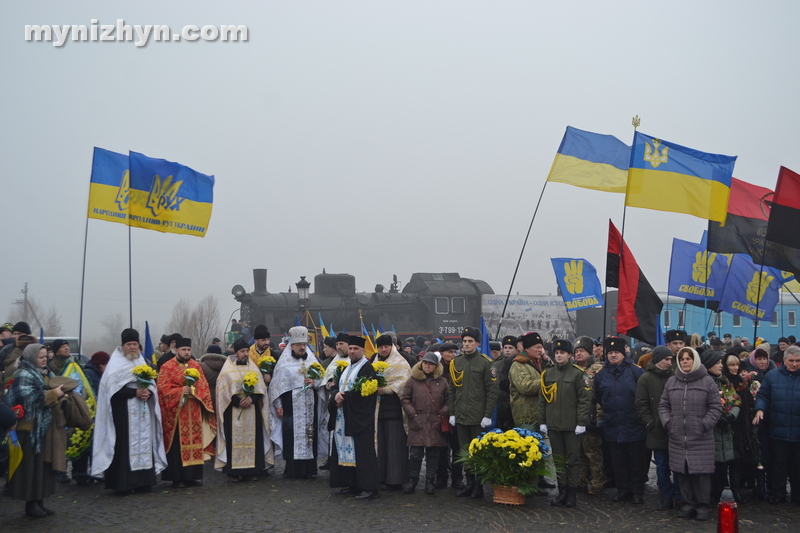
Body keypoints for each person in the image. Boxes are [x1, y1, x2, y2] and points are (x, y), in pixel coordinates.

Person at [92, 329, 168, 494]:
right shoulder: (115, 364)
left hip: (143, 413)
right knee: (123, 446)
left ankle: (143, 481)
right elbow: (111, 392)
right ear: (123, 346)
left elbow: (151, 384)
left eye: (134, 344)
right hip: (122, 414)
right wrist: (135, 393)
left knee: (144, 443)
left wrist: (148, 392)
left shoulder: (142, 362)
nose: (132, 347)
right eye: (129, 344)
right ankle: (123, 484)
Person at [659, 346, 722, 521]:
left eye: (688, 358)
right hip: (677, 436)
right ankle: (687, 505)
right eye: (682, 359)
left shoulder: (707, 381)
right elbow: (663, 405)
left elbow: (715, 407)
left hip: (700, 437)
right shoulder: (672, 382)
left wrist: (704, 424)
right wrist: (668, 422)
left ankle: (703, 506)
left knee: (701, 474)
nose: (685, 361)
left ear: (695, 360)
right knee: (682, 473)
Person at [4, 343, 66, 518]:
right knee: (31, 468)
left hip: (44, 427)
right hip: (29, 430)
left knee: (43, 468)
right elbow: (29, 399)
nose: (44, 359)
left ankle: (40, 500)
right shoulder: (23, 374)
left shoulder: (47, 373)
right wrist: (54, 394)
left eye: (45, 356)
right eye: (40, 357)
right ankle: (30, 505)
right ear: (31, 357)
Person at [594, 336, 648, 504]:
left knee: (636, 461)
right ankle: (622, 489)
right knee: (618, 462)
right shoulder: (601, 375)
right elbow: (599, 397)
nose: (613, 356)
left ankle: (637, 491)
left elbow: (643, 396)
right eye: (610, 353)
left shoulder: (636, 371)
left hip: (634, 424)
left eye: (616, 352)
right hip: (613, 424)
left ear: (623, 353)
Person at [539, 339, 592, 508]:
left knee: (573, 460)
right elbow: (542, 400)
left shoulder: (578, 374)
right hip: (554, 424)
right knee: (558, 460)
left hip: (571, 425)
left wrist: (581, 422)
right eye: (556, 353)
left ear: (570, 355)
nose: (559, 355)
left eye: (562, 353)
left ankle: (571, 493)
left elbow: (584, 400)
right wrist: (543, 421)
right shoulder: (548, 374)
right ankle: (561, 492)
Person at [157, 337, 216, 488]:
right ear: (176, 350)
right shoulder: (167, 367)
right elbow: (162, 390)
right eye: (183, 350)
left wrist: (194, 391)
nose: (186, 352)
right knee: (177, 445)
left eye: (188, 350)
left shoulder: (195, 365)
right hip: (176, 414)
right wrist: (180, 391)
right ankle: (177, 478)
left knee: (195, 442)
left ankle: (192, 477)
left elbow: (203, 386)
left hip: (194, 411)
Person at [268, 326, 327, 479]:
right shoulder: (284, 364)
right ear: (292, 345)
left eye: (304, 344)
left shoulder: (312, 361)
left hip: (310, 405)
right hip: (291, 406)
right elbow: (276, 386)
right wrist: (278, 405)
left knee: (310, 435)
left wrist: (315, 382)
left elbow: (322, 380)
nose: (302, 347)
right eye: (298, 344)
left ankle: (309, 469)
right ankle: (292, 470)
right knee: (291, 435)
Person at [448, 326, 499, 499]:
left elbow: (492, 391)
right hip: (461, 415)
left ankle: (479, 485)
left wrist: (487, 415)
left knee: (479, 452)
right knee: (465, 451)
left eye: (470, 341)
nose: (467, 344)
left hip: (478, 416)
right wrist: (452, 413)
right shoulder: (456, 362)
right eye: (464, 341)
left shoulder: (485, 362)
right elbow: (453, 390)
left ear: (477, 343)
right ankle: (469, 483)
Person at [328, 335, 380, 500]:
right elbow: (337, 386)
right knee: (345, 452)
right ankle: (352, 484)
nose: (352, 352)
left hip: (359, 418)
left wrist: (344, 397)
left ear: (363, 350)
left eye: (355, 349)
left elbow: (365, 394)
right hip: (344, 417)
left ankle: (369, 487)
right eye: (350, 349)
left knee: (363, 453)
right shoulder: (345, 368)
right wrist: (336, 395)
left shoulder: (367, 368)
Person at [214, 338, 274, 481]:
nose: (245, 354)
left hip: (252, 410)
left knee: (254, 439)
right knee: (233, 440)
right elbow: (222, 393)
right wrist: (237, 401)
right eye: (242, 351)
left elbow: (261, 390)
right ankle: (234, 472)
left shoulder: (253, 368)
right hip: (233, 411)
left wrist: (251, 399)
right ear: (236, 353)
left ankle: (253, 471)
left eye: (247, 351)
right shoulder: (227, 370)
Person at [753, 345, 800, 504]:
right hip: (778, 430)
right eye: (791, 361)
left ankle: (797, 495)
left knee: (797, 467)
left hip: (797, 431)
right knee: (778, 465)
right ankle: (778, 493)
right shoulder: (773, 376)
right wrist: (760, 409)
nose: (795, 364)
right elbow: (763, 395)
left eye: (798, 361)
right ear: (784, 360)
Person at [635, 345, 680, 510]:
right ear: (658, 360)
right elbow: (641, 404)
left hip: (675, 428)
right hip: (657, 429)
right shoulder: (645, 379)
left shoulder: (675, 376)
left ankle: (679, 496)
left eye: (670, 359)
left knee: (678, 466)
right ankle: (666, 497)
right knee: (661, 466)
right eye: (666, 359)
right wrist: (650, 423)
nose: (670, 362)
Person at [400, 351, 449, 495]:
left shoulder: (443, 381)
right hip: (418, 421)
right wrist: (413, 414)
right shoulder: (413, 380)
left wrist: (443, 413)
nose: (428, 366)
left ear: (436, 366)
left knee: (433, 453)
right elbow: (405, 398)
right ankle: (413, 480)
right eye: (425, 363)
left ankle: (430, 480)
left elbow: (448, 400)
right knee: (415, 454)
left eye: (431, 364)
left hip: (435, 422)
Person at [372, 334, 411, 488]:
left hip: (395, 411)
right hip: (378, 411)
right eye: (380, 347)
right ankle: (380, 476)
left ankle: (395, 479)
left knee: (395, 447)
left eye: (386, 347)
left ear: (392, 347)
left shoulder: (400, 362)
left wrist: (386, 390)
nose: (383, 350)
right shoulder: (374, 361)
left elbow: (404, 383)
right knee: (380, 446)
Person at [721, 353, 757, 503]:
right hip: (727, 424)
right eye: (732, 365)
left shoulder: (742, 382)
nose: (735, 368)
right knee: (725, 459)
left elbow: (748, 403)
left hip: (742, 424)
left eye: (737, 365)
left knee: (738, 458)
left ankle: (736, 489)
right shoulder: (723, 381)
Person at [573, 335, 605, 495]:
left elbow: (601, 394)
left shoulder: (599, 368)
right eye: (576, 351)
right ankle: (580, 482)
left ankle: (597, 482)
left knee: (593, 452)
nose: (578, 354)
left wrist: (600, 416)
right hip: (575, 416)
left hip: (591, 414)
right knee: (579, 453)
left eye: (582, 351)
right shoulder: (571, 368)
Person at [434, 342, 464, 490]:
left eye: (455, 352)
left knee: (457, 448)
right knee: (441, 448)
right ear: (442, 353)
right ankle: (441, 477)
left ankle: (457, 478)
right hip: (440, 414)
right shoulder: (436, 369)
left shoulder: (459, 367)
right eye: (450, 352)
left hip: (457, 413)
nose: (453, 355)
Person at [199, 346, 227, 411]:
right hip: (223, 397)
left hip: (207, 398)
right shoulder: (226, 366)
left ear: (207, 353)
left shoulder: (202, 366)